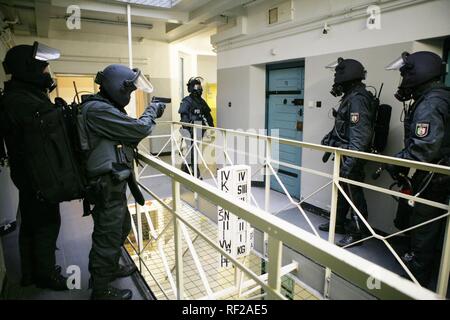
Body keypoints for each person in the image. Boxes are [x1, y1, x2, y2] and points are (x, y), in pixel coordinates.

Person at [79, 64, 165, 300]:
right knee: (107, 237)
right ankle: (101, 289)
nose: (129, 95)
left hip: (113, 182)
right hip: (105, 185)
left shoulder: (104, 107)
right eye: (128, 90)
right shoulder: (98, 110)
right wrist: (152, 110)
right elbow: (138, 129)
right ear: (118, 87)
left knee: (121, 228)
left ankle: (112, 267)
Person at [0, 42, 68, 289]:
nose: (46, 74)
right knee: (46, 224)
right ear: (28, 69)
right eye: (43, 69)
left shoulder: (17, 96)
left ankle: (31, 272)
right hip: (37, 173)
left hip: (29, 172)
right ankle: (45, 275)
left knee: (31, 223)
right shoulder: (21, 100)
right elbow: (41, 130)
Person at [385, 51, 450, 286]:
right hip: (433, 174)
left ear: (418, 74)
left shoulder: (432, 103)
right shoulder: (432, 97)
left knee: (425, 225)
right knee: (421, 222)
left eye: (405, 75)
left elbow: (423, 150)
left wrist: (395, 162)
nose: (403, 81)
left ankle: (417, 279)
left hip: (435, 177)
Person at [320, 57, 377, 247]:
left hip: (352, 155)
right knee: (342, 191)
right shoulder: (351, 97)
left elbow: (360, 137)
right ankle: (338, 224)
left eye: (338, 79)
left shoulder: (358, 100)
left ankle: (357, 233)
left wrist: (351, 162)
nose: (336, 83)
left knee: (354, 195)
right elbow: (343, 126)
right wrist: (329, 138)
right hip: (344, 154)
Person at [178, 77, 214, 177]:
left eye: (199, 86)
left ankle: (188, 167)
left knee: (195, 150)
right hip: (189, 129)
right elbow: (184, 117)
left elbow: (208, 116)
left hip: (199, 129)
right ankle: (194, 171)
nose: (198, 89)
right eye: (196, 86)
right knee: (192, 149)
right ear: (191, 88)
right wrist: (187, 130)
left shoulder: (201, 102)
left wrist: (212, 128)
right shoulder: (186, 101)